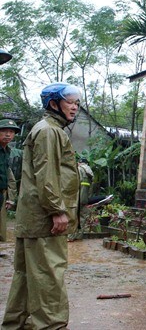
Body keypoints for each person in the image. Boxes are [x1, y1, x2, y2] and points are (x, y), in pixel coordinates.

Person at [2, 83, 81, 329]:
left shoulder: (46, 129)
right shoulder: (49, 131)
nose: (75, 106)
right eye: (70, 101)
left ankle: (16, 324)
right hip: (45, 218)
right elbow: (47, 175)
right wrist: (58, 211)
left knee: (27, 276)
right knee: (48, 276)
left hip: (33, 218)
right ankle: (49, 326)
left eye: (77, 102)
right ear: (53, 104)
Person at [0, 119, 21, 242]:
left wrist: (11, 198)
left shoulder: (7, 151)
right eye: (4, 131)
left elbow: (10, 177)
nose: (8, 134)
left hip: (2, 193)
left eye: (11, 131)